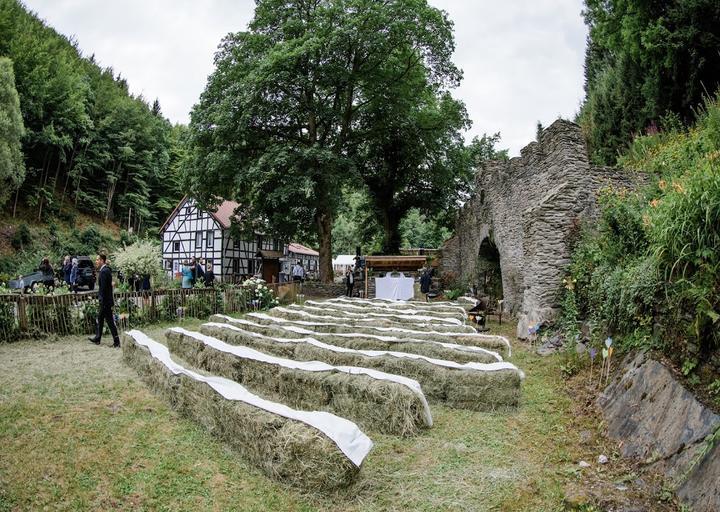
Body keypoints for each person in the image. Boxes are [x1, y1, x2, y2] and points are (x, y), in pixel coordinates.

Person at [88, 254, 120, 348]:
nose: (96, 261)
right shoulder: (105, 270)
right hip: (106, 301)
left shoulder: (104, 271)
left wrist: (102, 299)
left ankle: (116, 341)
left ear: (102, 261)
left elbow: (104, 288)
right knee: (100, 319)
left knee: (109, 321)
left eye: (98, 260)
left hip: (105, 301)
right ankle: (98, 338)